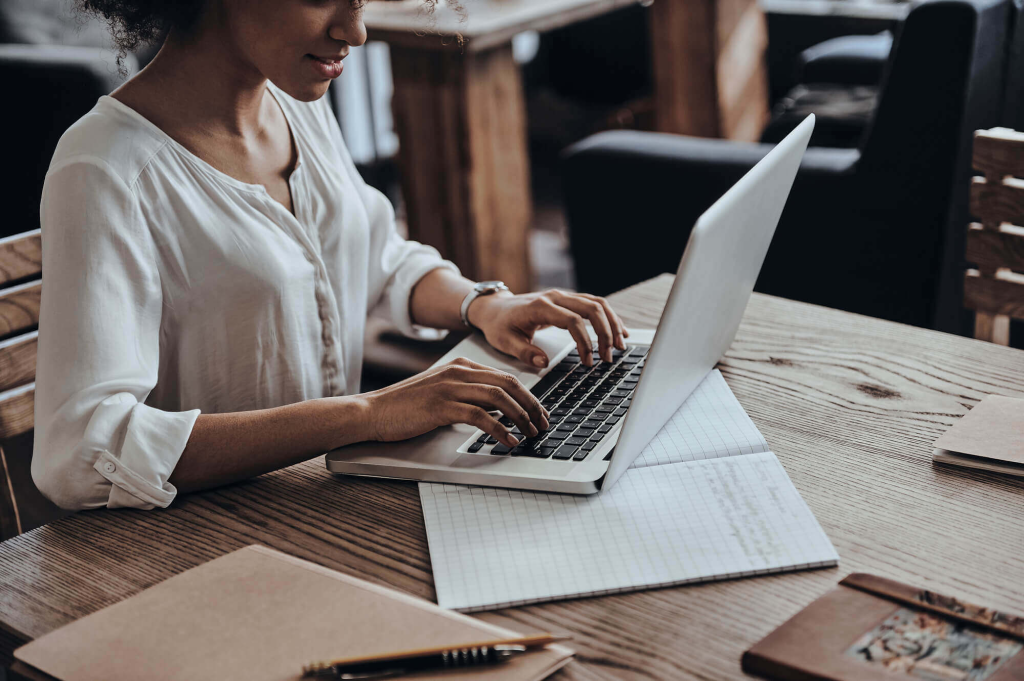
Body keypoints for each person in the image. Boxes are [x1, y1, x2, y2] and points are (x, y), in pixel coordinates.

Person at [32, 0, 628, 511]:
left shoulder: (299, 103)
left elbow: (373, 256)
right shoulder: (106, 170)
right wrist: (369, 415)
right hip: (208, 533)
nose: (355, 30)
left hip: (323, 495)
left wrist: (483, 306)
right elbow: (82, 451)